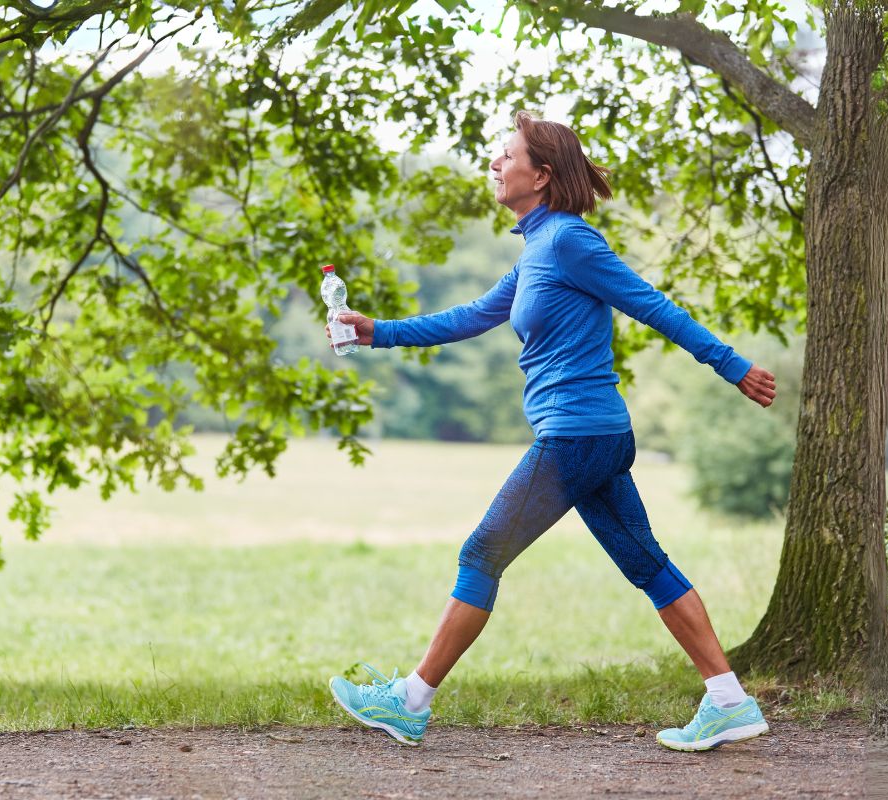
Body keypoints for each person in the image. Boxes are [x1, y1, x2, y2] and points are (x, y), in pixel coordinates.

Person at [326, 111, 780, 753]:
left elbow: (651, 304)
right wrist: (378, 332)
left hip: (575, 436)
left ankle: (410, 703)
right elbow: (471, 316)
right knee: (645, 562)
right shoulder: (537, 249)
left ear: (540, 175)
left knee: (482, 553)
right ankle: (730, 702)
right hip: (593, 437)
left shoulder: (570, 241)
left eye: (507, 156)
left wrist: (731, 366)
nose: (495, 164)